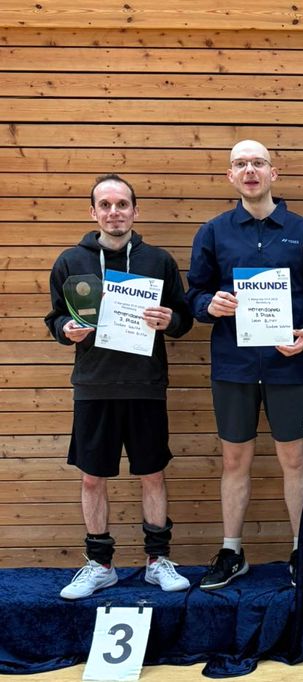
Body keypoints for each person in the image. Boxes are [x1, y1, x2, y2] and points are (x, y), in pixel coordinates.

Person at [187, 140, 303, 588]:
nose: (249, 170)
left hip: (285, 364)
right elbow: (194, 294)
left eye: (258, 163)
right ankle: (232, 551)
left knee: (293, 457)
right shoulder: (213, 233)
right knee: (234, 459)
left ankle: (300, 550)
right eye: (240, 164)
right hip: (232, 365)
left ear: (274, 173)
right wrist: (208, 304)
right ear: (230, 176)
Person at [45, 174, 193, 599]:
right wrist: (65, 329)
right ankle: (100, 565)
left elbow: (183, 317)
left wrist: (171, 320)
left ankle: (157, 561)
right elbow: (55, 317)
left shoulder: (158, 261)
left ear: (135, 210)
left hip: (146, 385)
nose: (114, 212)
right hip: (94, 385)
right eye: (105, 205)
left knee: (152, 474)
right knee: (92, 479)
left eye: (122, 204)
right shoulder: (70, 261)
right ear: (93, 212)